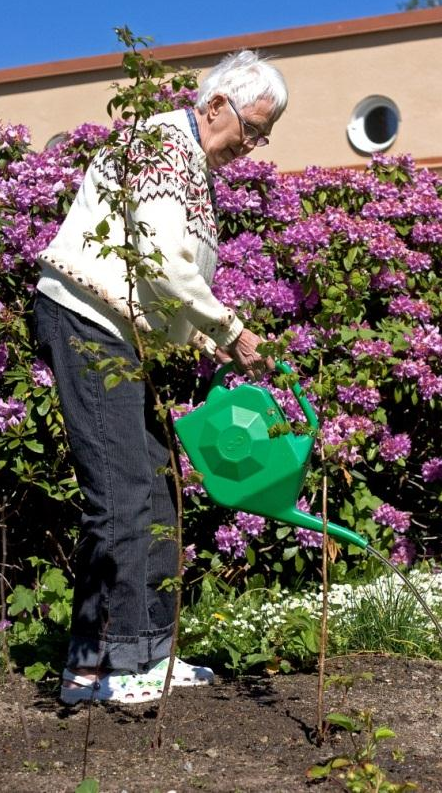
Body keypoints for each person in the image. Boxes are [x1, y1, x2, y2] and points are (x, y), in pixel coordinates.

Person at [33, 49, 288, 704]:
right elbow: (156, 257)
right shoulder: (160, 144)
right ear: (214, 106)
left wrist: (217, 341)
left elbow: (171, 283)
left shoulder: (192, 165)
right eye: (252, 129)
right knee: (120, 495)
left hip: (121, 330)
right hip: (87, 317)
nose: (253, 146)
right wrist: (232, 330)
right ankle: (97, 669)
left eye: (263, 137)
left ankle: (143, 656)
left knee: (157, 492)